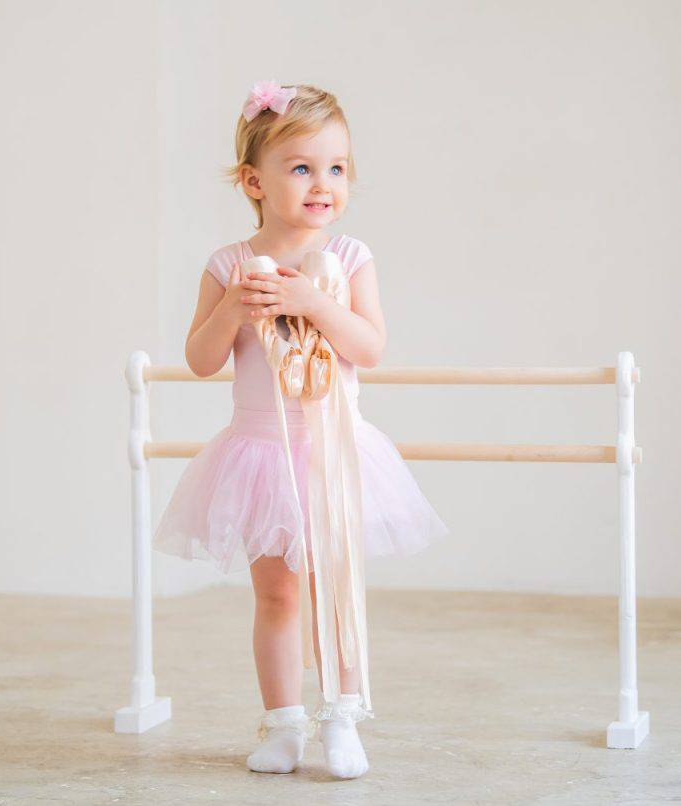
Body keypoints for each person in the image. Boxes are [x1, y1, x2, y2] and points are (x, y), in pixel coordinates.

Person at [152, 80, 449, 779]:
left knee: (335, 588)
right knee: (278, 594)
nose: (324, 183)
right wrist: (233, 305)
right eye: (302, 167)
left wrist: (312, 299)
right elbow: (200, 360)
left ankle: (342, 716)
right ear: (255, 181)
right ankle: (282, 722)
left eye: (337, 168)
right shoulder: (229, 264)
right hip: (260, 453)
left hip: (333, 452)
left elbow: (368, 348)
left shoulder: (348, 260)